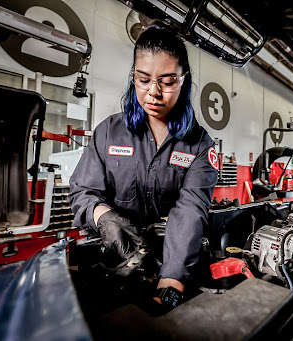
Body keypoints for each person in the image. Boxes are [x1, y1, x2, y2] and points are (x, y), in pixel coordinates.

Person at [69, 25, 218, 307]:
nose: (154, 92)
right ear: (133, 77)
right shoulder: (108, 132)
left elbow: (190, 210)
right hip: (114, 257)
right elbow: (82, 191)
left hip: (173, 258)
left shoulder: (200, 145)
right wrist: (103, 216)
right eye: (143, 79)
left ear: (184, 79)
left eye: (168, 81)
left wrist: (171, 281)